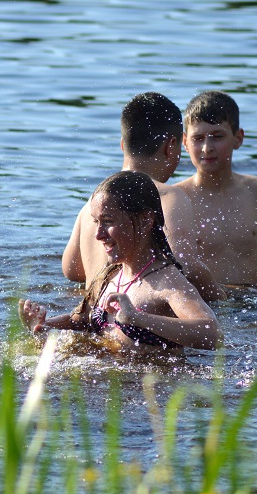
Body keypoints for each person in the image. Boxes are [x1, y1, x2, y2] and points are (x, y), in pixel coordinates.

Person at [22, 171, 221, 352]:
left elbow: (210, 333)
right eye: (96, 222)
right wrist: (42, 326)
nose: (98, 235)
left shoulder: (166, 281)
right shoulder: (110, 275)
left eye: (108, 221)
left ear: (145, 220)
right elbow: (79, 322)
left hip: (151, 389)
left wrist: (138, 319)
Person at [62, 92, 224, 301]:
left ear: (123, 145)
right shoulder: (168, 196)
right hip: (139, 325)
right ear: (171, 146)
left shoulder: (93, 205)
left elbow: (71, 270)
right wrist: (221, 298)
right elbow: (185, 264)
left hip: (99, 318)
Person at [175, 90, 257, 286]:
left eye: (217, 137)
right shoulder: (176, 200)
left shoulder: (254, 192)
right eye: (198, 138)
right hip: (207, 306)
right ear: (185, 142)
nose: (207, 147)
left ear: (238, 138)